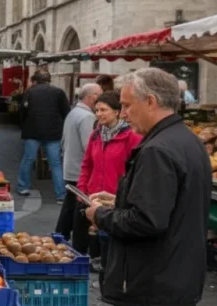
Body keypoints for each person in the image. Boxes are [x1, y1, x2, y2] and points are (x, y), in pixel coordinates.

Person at [85, 68, 211, 306]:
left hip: (147, 280)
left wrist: (101, 215)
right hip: (175, 275)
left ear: (151, 102)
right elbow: (168, 209)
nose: (124, 113)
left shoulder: (156, 149)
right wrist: (118, 200)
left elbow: (147, 221)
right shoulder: (187, 143)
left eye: (126, 104)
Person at [76, 91, 141, 282]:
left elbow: (134, 170)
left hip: (116, 196)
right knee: (101, 236)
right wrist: (82, 190)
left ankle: (114, 276)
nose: (99, 114)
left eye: (104, 110)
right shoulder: (96, 135)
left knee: (113, 238)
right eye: (96, 110)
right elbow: (87, 164)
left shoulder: (131, 137)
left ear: (117, 111)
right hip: (95, 195)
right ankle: (106, 274)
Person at [55, 83, 102, 241]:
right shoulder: (87, 117)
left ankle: (60, 236)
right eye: (99, 94)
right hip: (79, 169)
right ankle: (73, 242)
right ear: (91, 97)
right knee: (77, 209)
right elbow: (89, 146)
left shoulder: (74, 112)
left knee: (69, 206)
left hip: (71, 165)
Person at [17, 70, 70, 202]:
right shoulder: (58, 92)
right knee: (56, 164)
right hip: (53, 133)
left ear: (35, 80)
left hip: (32, 132)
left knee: (28, 159)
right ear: (49, 80)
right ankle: (60, 195)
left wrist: (24, 127)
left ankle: (23, 187)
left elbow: (22, 112)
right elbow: (66, 112)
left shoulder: (30, 92)